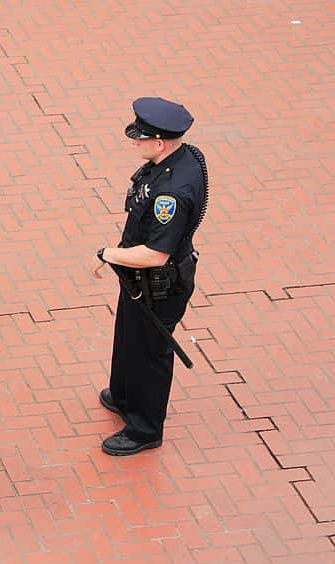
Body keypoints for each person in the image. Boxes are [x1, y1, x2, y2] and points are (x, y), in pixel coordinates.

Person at [92, 97, 207, 456]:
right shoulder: (180, 155)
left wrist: (108, 254)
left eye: (139, 138)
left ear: (159, 143)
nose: (133, 142)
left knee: (150, 352)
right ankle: (124, 394)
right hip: (137, 277)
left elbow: (157, 254)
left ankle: (144, 428)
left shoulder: (172, 194)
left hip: (159, 282)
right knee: (128, 334)